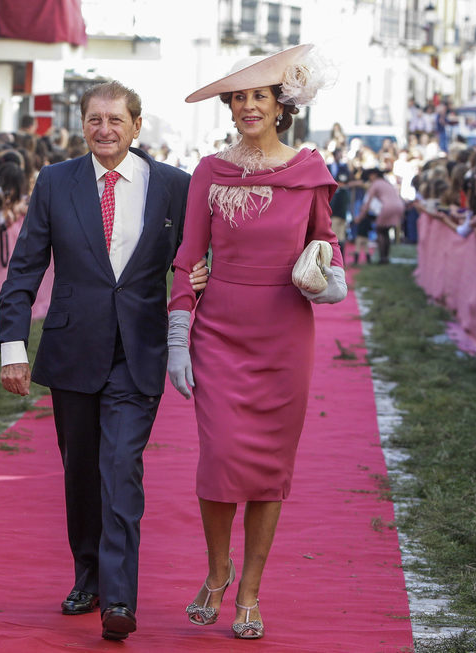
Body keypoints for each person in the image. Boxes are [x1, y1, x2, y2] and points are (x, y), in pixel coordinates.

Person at [0, 80, 205, 642]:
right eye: (95, 120)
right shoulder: (56, 182)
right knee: (82, 472)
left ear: (137, 126)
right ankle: (86, 573)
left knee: (120, 469)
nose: (105, 130)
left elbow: (195, 260)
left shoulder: (172, 187)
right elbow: (24, 270)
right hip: (72, 351)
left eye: (116, 120)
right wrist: (13, 349)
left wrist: (199, 284)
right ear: (82, 124)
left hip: (138, 353)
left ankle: (119, 599)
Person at [167, 44, 347, 641]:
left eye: (258, 96)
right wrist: (177, 336)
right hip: (219, 332)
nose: (247, 106)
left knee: (269, 469)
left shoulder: (311, 172)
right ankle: (217, 572)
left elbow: (328, 246)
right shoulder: (209, 172)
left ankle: (249, 589)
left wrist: (330, 282)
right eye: (239, 97)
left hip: (285, 336)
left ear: (280, 105)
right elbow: (187, 259)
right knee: (219, 462)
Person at [358, 167, 404, 264]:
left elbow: (368, 202)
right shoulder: (386, 183)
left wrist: (360, 216)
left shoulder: (376, 184)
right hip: (399, 206)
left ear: (374, 175)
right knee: (385, 231)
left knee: (380, 230)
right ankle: (385, 257)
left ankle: (383, 258)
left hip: (387, 207)